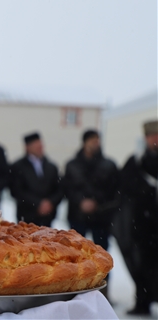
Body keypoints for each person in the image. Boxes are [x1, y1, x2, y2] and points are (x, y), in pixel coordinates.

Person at [118, 120, 158, 315]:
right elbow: (123, 188)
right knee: (142, 264)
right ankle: (143, 302)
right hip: (142, 225)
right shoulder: (136, 162)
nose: (155, 140)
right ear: (146, 139)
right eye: (152, 137)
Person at [63, 129, 119, 251]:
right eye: (93, 140)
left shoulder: (109, 165)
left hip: (101, 217)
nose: (96, 143)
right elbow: (67, 188)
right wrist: (81, 201)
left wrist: (96, 202)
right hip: (77, 216)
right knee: (76, 254)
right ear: (85, 142)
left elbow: (114, 191)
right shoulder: (72, 165)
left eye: (98, 140)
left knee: (101, 254)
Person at [9, 132, 63, 227]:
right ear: (27, 147)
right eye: (36, 145)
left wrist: (50, 203)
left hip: (47, 217)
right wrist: (37, 203)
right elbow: (17, 190)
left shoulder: (51, 167)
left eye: (40, 145)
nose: (40, 147)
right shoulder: (18, 166)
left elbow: (59, 189)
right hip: (27, 216)